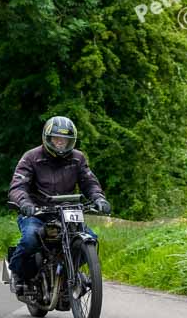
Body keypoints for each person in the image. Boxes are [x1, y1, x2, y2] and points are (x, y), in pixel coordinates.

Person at [7, 116, 111, 295]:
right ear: (47, 138)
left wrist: (99, 198)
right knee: (31, 239)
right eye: (57, 139)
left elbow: (89, 182)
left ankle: (66, 273)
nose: (61, 143)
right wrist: (25, 204)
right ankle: (17, 273)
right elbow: (18, 186)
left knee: (90, 238)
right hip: (37, 213)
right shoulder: (31, 157)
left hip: (67, 212)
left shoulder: (78, 158)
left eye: (65, 140)